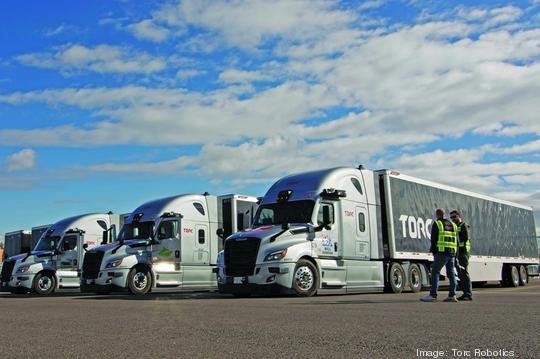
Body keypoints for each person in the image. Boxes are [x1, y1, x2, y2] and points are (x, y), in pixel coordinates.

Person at [421, 208, 458, 302]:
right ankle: (452, 295)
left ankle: (433, 295)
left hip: (442, 253)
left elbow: (433, 239)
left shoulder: (437, 224)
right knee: (451, 274)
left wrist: (433, 251)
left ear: (437, 215)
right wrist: (455, 253)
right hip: (452, 253)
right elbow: (457, 241)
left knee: (435, 272)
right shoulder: (453, 225)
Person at [451, 210, 472, 301]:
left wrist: (456, 239)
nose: (453, 219)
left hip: (463, 252)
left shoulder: (463, 225)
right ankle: (465, 293)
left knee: (464, 273)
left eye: (454, 217)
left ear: (459, 216)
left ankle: (468, 294)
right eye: (451, 217)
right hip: (457, 252)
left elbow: (465, 237)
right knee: (460, 274)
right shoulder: (455, 226)